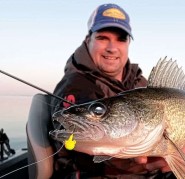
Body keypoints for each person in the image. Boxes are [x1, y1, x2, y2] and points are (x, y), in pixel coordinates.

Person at [50, 3, 174, 178]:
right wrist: (138, 163)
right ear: (88, 40)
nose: (112, 47)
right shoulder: (75, 86)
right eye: (102, 37)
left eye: (121, 39)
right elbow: (76, 146)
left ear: (128, 43)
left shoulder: (139, 81)